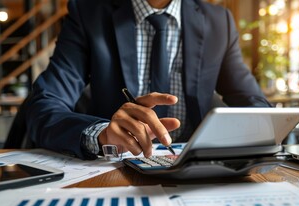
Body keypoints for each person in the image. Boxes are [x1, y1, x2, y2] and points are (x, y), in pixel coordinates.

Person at [26, 0, 271, 160]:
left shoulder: (219, 22)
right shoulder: (88, 14)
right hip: (114, 169)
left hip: (197, 171)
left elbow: (254, 102)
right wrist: (101, 134)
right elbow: (44, 106)